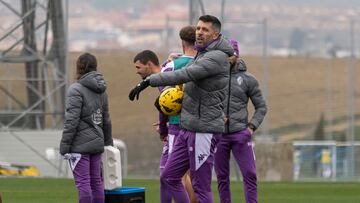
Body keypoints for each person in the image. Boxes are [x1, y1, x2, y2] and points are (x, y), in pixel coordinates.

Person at [129, 15, 234, 203]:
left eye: (205, 30)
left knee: (201, 186)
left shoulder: (216, 57)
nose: (199, 32)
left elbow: (185, 74)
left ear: (216, 34)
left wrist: (149, 81)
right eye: (198, 28)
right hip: (187, 127)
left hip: (204, 130)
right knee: (168, 177)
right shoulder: (202, 54)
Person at [214, 40, 267, 203]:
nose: (227, 58)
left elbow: (261, 107)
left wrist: (250, 128)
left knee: (250, 175)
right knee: (222, 177)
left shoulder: (248, 79)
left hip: (240, 135)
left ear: (236, 55)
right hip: (218, 136)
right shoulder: (212, 78)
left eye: (230, 54)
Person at [60, 53, 113, 203]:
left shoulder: (75, 90)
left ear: (79, 67)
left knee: (83, 183)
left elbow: (72, 121)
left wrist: (64, 146)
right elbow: (106, 120)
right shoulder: (102, 90)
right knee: (97, 182)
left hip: (79, 147)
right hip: (97, 144)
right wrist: (108, 143)